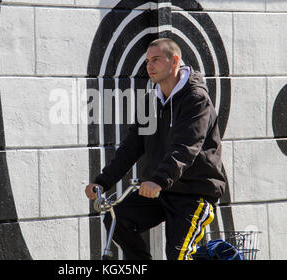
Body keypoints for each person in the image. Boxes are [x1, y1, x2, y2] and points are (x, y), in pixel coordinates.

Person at [84, 38, 226, 260]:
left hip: (193, 193)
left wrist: (158, 180)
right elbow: (131, 146)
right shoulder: (152, 101)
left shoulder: (196, 99)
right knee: (117, 218)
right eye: (148, 61)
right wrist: (102, 182)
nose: (149, 66)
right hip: (162, 191)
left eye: (156, 60)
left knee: (178, 255)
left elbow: (186, 146)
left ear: (174, 61)